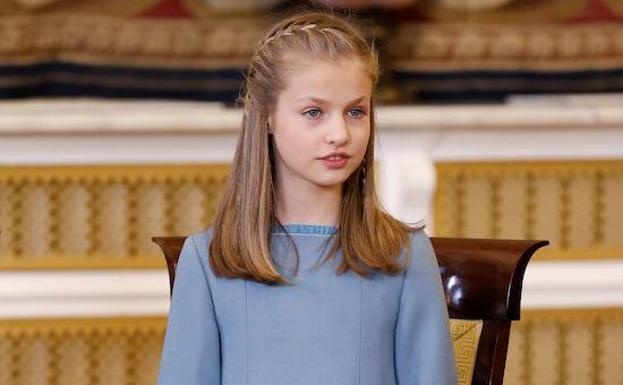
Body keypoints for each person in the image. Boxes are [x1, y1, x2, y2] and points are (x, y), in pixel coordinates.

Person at [157, 10, 457, 385]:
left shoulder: (405, 255)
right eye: (314, 112)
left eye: (355, 111)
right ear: (266, 116)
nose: (339, 134)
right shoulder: (207, 260)